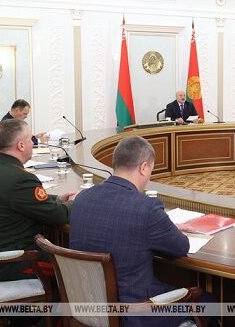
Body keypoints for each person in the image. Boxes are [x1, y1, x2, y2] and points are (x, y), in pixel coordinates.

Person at [70, 136, 190, 327]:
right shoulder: (147, 209)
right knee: (208, 301)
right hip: (133, 315)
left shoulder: (83, 198)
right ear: (144, 167)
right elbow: (181, 247)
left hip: (86, 307)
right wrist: (168, 226)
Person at [0, 119, 75, 281]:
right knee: (74, 270)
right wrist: (78, 201)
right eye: (30, 139)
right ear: (21, 145)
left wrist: (58, 198)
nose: (33, 143)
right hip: (5, 262)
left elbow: (22, 198)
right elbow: (59, 216)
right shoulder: (20, 178)